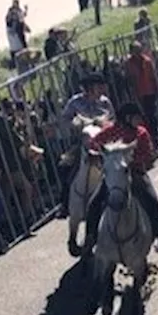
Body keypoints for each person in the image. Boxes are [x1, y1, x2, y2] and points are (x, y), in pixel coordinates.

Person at [85, 103, 158, 253]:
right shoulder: (112, 131)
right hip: (114, 175)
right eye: (136, 118)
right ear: (127, 118)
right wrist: (99, 155)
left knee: (152, 201)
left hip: (135, 173)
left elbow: (148, 153)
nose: (139, 121)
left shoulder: (141, 133)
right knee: (94, 203)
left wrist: (133, 160)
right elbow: (94, 142)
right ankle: (90, 238)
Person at [57, 73, 114, 213]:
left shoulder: (105, 102)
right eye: (98, 86)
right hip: (82, 141)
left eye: (101, 86)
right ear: (90, 88)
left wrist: (105, 124)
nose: (101, 89)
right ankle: (65, 203)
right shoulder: (75, 102)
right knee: (65, 166)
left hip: (104, 141)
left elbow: (113, 120)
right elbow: (64, 120)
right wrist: (76, 124)